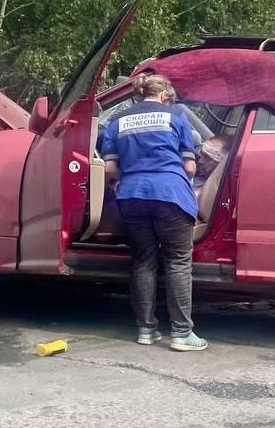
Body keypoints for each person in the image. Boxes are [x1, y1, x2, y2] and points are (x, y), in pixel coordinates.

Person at [100, 73, 207, 352]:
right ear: (163, 95)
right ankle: (182, 334)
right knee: (178, 261)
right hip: (170, 194)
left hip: (132, 195)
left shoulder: (117, 121)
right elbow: (190, 167)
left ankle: (146, 329)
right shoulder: (175, 117)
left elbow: (110, 168)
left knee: (143, 260)